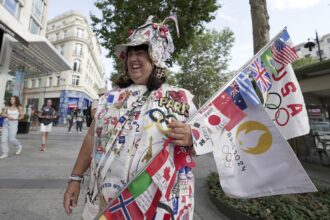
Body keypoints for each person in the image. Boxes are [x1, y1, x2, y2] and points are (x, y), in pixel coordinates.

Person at [63, 16, 197, 219]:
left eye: (141, 52)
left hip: (154, 203)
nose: (133, 58)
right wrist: (75, 178)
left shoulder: (180, 98)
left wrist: (190, 137)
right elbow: (92, 137)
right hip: (106, 199)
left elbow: (201, 141)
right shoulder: (108, 98)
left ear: (156, 57)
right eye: (130, 53)